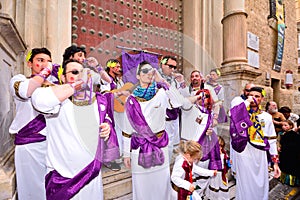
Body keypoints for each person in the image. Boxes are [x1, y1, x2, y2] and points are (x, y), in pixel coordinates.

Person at [31, 59, 119, 199]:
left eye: (83, 73)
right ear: (63, 77)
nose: (80, 76)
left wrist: (107, 127)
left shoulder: (98, 100)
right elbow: (39, 100)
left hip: (92, 176)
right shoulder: (55, 100)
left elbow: (106, 117)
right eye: (74, 72)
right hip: (64, 179)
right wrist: (76, 85)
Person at [122, 61, 197, 200]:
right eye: (144, 71)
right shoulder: (131, 99)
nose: (148, 73)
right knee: (142, 184)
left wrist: (162, 80)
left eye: (151, 70)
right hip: (139, 147)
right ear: (138, 76)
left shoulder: (161, 93)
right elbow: (126, 129)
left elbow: (179, 102)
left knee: (160, 183)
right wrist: (126, 154)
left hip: (160, 144)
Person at [9, 47, 53, 199]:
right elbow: (25, 92)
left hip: (51, 144)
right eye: (40, 61)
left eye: (48, 62)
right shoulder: (19, 80)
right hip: (28, 146)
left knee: (50, 187)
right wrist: (46, 73)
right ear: (30, 63)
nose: (45, 65)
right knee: (31, 189)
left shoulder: (54, 87)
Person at [229, 87, 281, 200]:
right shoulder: (241, 113)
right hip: (244, 152)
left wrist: (275, 163)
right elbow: (233, 114)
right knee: (244, 183)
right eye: (250, 95)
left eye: (257, 96)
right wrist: (247, 102)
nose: (253, 98)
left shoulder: (266, 117)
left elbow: (271, 140)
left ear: (262, 99)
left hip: (260, 154)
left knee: (260, 183)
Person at [181, 89, 225, 199]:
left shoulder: (208, 113)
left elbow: (215, 121)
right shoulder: (190, 109)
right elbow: (185, 102)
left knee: (201, 182)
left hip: (203, 150)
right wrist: (197, 97)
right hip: (189, 148)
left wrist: (210, 132)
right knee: (189, 179)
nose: (203, 98)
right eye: (201, 96)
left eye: (206, 96)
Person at [158, 55, 188, 161]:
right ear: (162, 64)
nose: (172, 69)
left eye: (174, 67)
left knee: (171, 143)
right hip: (160, 118)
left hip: (173, 116)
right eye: (170, 66)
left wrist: (181, 82)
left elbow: (184, 97)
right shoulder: (154, 78)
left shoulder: (174, 80)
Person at [100, 59, 127, 171]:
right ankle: (108, 160)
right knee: (111, 134)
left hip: (119, 110)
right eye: (116, 67)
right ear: (110, 67)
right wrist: (119, 94)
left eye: (119, 66)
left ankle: (117, 157)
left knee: (120, 133)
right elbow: (105, 94)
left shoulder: (118, 80)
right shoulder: (106, 80)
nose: (118, 68)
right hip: (110, 111)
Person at [229, 82, 255, 176]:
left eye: (252, 91)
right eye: (248, 90)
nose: (249, 93)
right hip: (239, 135)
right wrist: (247, 101)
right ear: (244, 91)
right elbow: (235, 113)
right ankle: (237, 175)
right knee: (238, 157)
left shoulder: (254, 102)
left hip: (251, 134)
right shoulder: (237, 100)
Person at [278, 120, 300, 186]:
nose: (283, 127)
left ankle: (292, 181)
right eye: (282, 125)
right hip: (285, 154)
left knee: (290, 167)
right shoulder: (282, 134)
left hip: (291, 154)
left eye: (285, 125)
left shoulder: (293, 135)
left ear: (291, 126)